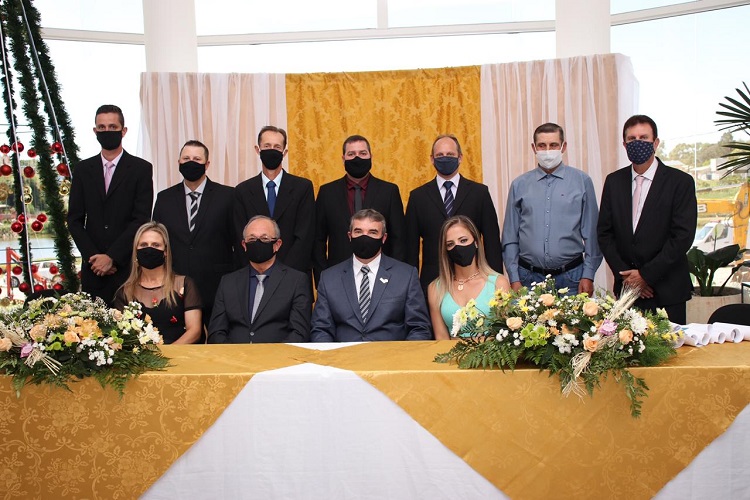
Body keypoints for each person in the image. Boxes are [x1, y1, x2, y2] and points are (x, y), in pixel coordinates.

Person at [597, 114, 697, 324]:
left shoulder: (680, 182)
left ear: (656, 142)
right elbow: (605, 234)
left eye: (643, 138)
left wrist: (645, 276)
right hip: (628, 292)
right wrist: (628, 277)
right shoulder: (614, 181)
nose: (637, 143)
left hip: (668, 292)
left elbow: (682, 237)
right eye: (632, 139)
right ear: (624, 145)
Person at [502, 123, 602, 295]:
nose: (547, 151)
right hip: (528, 279)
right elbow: (510, 236)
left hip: (572, 278)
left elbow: (592, 234)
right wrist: (514, 277)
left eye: (553, 145)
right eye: (542, 145)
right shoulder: (519, 185)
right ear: (534, 148)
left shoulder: (582, 181)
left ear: (564, 147)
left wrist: (588, 274)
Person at [68, 104, 153, 305]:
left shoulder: (141, 169)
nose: (107, 131)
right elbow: (74, 220)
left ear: (124, 131)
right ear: (95, 131)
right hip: (93, 270)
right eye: (102, 127)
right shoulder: (82, 169)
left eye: (113, 127)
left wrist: (112, 257)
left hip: (127, 268)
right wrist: (94, 258)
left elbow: (141, 219)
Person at [152, 140, 234, 337]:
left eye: (197, 159)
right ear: (179, 162)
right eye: (186, 158)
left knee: (220, 343)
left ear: (207, 164)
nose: (191, 162)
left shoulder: (228, 196)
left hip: (217, 285)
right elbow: (158, 241)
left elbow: (237, 242)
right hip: (176, 287)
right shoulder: (164, 198)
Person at [311, 209, 431, 342]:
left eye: (372, 232)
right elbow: (321, 329)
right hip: (344, 353)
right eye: (358, 231)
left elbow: (419, 328)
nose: (365, 237)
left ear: (384, 238)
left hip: (390, 354)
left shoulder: (406, 276)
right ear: (350, 236)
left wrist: (402, 355)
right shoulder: (329, 278)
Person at [405, 134, 503, 293]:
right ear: (432, 159)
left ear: (460, 157)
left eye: (450, 154)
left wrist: (496, 283)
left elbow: (492, 242)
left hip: (475, 280)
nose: (445, 158)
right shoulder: (418, 197)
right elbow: (410, 248)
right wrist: (411, 288)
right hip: (433, 282)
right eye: (440, 155)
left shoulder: (479, 193)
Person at [314, 135, 406, 284]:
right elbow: (318, 240)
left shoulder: (389, 191)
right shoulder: (327, 192)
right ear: (343, 159)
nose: (357, 158)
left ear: (371, 156)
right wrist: (322, 279)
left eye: (362, 153)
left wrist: (396, 278)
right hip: (338, 276)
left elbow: (398, 239)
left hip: (382, 276)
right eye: (351, 154)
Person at [208, 215, 312, 343]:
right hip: (234, 354)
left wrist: (272, 355)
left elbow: (299, 332)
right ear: (244, 245)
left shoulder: (296, 281)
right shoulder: (228, 282)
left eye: (264, 238)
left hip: (278, 354)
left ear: (277, 244)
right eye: (252, 239)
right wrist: (235, 354)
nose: (257, 243)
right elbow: (216, 332)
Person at [233, 126, 315, 275]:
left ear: (285, 152)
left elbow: (305, 236)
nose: (272, 150)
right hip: (254, 273)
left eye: (277, 147)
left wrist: (284, 273)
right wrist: (258, 269)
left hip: (294, 274)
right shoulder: (242, 191)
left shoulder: (303, 188)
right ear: (258, 150)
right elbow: (240, 237)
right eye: (267, 146)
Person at [114, 222, 202, 344]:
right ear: (136, 251)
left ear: (165, 251)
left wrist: (168, 353)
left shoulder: (184, 284)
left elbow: (194, 331)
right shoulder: (125, 292)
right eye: (144, 245)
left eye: (156, 245)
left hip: (180, 352)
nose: (149, 249)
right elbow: (124, 336)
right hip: (142, 355)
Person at [429, 216, 511, 339]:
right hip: (451, 351)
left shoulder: (499, 283)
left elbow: (505, 334)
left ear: (476, 242)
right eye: (450, 244)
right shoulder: (436, 289)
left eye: (463, 240)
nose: (457, 247)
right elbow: (441, 338)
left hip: (490, 350)